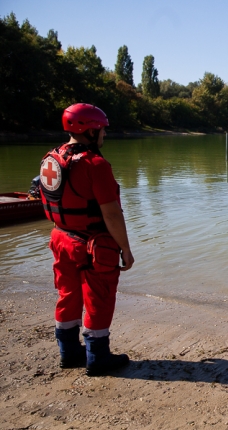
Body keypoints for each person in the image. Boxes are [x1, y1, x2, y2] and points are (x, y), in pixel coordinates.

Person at [39, 103, 135, 376]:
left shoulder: (51, 158)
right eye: (102, 129)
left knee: (67, 295)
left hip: (61, 238)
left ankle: (68, 353)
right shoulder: (96, 164)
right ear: (90, 130)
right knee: (98, 298)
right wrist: (125, 249)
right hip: (92, 245)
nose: (104, 134)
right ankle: (98, 358)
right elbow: (112, 215)